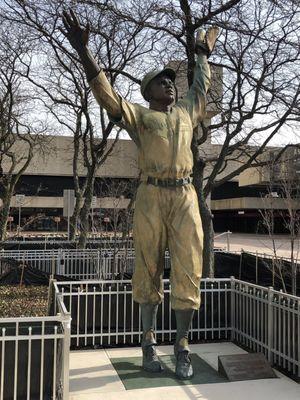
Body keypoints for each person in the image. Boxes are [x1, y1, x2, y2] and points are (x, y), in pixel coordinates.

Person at [61, 9, 218, 379]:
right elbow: (109, 98)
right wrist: (86, 55)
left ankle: (182, 347)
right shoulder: (140, 116)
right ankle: (147, 344)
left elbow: (200, 87)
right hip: (150, 195)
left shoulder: (184, 113)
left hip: (185, 197)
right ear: (148, 91)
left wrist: (202, 54)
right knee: (147, 268)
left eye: (171, 81)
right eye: (161, 82)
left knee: (188, 270)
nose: (170, 85)